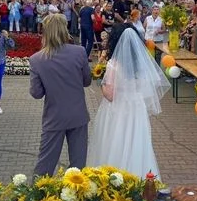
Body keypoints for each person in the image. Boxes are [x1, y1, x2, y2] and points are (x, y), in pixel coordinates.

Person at [87, 23, 169, 177]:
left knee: (116, 141)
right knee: (136, 142)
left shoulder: (114, 64)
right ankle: (138, 174)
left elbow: (110, 95)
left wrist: (101, 84)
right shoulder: (142, 63)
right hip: (136, 107)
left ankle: (115, 176)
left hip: (118, 108)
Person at [29, 14, 92, 176]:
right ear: (64, 29)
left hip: (54, 117)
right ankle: (76, 198)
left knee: (45, 165)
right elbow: (86, 81)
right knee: (78, 166)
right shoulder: (79, 52)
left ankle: (37, 198)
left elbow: (36, 93)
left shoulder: (37, 59)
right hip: (78, 115)